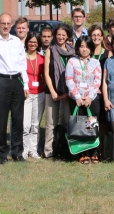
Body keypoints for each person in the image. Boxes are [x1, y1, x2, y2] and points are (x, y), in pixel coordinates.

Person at [0, 13, 29, 164]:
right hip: (1, 82)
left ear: (12, 25)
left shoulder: (16, 41)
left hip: (17, 81)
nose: (6, 26)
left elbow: (23, 64)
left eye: (8, 24)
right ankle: (1, 154)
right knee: (1, 120)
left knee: (18, 119)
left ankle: (17, 152)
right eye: (3, 23)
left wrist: (26, 84)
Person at [65, 35, 103, 164]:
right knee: (79, 126)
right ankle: (82, 153)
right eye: (81, 46)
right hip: (76, 100)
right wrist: (77, 96)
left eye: (87, 47)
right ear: (77, 48)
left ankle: (94, 152)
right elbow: (69, 79)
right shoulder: (72, 61)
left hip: (91, 100)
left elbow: (97, 81)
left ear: (91, 48)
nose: (84, 49)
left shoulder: (95, 62)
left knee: (90, 126)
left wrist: (90, 97)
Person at [42, 24, 74, 158]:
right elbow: (46, 74)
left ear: (67, 36)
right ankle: (48, 151)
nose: (60, 37)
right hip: (52, 92)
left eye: (63, 35)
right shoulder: (50, 50)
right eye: (58, 34)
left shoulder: (73, 51)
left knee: (69, 121)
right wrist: (53, 92)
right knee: (51, 123)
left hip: (68, 92)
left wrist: (68, 92)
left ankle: (68, 149)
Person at [22, 32, 45, 159]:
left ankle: (33, 150)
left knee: (35, 124)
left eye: (35, 42)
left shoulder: (41, 58)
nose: (33, 44)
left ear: (38, 44)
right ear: (27, 42)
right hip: (26, 93)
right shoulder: (22, 57)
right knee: (26, 125)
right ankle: (24, 150)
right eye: (30, 41)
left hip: (39, 93)